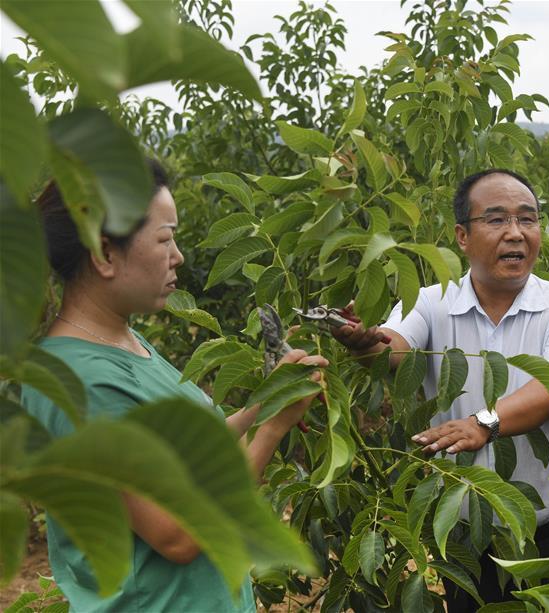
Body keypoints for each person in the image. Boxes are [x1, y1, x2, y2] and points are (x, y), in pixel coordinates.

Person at [22, 159, 327, 612]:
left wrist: (262, 405)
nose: (178, 255)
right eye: (164, 238)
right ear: (104, 254)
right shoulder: (79, 382)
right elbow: (179, 535)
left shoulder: (124, 340)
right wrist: (273, 430)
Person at [333, 169, 549, 610]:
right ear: (461, 235)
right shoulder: (432, 301)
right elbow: (393, 350)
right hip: (468, 529)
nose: (516, 233)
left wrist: (485, 423)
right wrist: (364, 342)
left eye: (528, 220)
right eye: (496, 220)